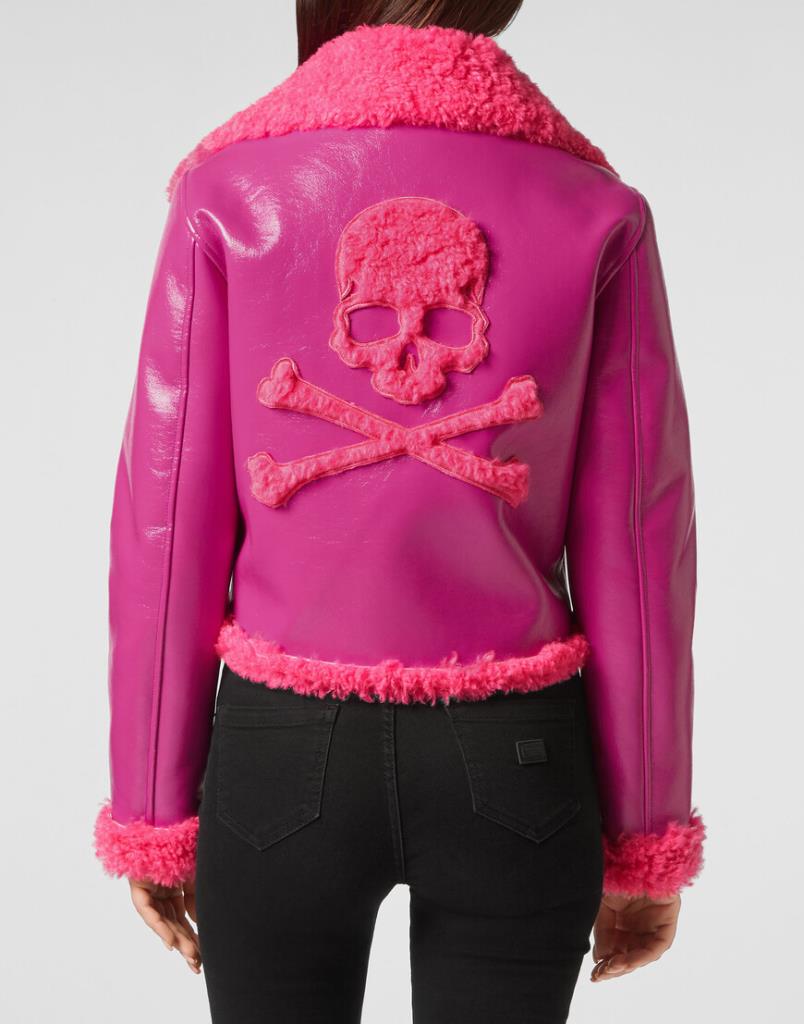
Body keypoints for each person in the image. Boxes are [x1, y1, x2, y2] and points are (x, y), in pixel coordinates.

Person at [92, 1, 706, 1020]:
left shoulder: (224, 194)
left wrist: (153, 809)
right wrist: (646, 833)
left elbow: (163, 531)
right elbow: (642, 551)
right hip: (517, 760)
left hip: (280, 754)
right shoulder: (597, 210)